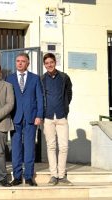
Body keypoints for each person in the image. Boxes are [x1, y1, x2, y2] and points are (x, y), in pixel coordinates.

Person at [5, 53, 43, 186]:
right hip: (15, 117)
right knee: (15, 148)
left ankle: (28, 176)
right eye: (18, 61)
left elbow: (39, 98)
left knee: (29, 148)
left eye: (23, 61)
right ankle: (16, 176)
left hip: (31, 118)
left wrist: (39, 115)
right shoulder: (9, 78)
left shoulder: (35, 78)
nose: (20, 63)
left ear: (28, 63)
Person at [41, 53, 73, 186]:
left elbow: (69, 93)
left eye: (51, 62)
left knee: (64, 146)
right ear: (44, 65)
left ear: (55, 62)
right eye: (47, 63)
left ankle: (62, 175)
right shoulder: (41, 79)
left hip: (61, 116)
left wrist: (64, 107)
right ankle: (54, 175)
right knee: (51, 146)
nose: (49, 65)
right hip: (48, 117)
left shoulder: (64, 77)